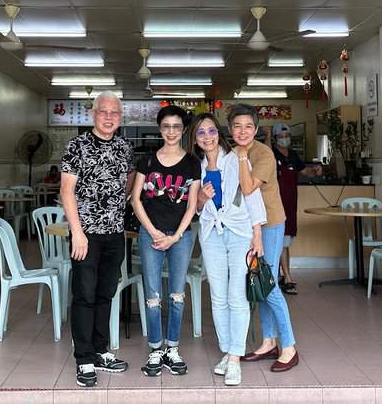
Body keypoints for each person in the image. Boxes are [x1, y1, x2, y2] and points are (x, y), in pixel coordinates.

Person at [60, 91, 135, 388]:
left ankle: (101, 349)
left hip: (115, 234)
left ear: (120, 117)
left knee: (106, 293)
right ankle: (84, 357)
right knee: (85, 294)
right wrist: (77, 232)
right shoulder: (77, 146)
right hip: (86, 234)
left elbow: (129, 178)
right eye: (103, 111)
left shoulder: (124, 147)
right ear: (93, 114)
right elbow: (67, 191)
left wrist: (120, 201)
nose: (108, 117)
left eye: (114, 113)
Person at [190, 112, 265, 387]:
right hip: (210, 234)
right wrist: (201, 197)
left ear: (218, 134)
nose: (207, 137)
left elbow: (251, 195)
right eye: (201, 133)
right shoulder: (196, 167)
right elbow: (196, 209)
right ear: (196, 140)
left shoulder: (235, 159)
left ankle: (235, 358)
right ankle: (228, 350)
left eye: (211, 131)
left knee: (236, 296)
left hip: (239, 232)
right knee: (218, 296)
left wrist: (257, 235)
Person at [130, 105, 200, 377]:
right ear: (160, 129)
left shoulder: (192, 162)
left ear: (183, 130)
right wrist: (154, 232)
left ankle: (173, 347)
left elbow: (192, 204)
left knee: (177, 293)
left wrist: (175, 236)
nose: (171, 131)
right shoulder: (147, 161)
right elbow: (136, 199)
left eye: (176, 127)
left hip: (180, 236)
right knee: (152, 294)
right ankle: (155, 349)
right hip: (151, 234)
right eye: (166, 126)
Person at [229, 104, 299, 372]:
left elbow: (247, 188)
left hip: (269, 224)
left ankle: (289, 346)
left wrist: (243, 156)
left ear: (256, 129)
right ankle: (269, 341)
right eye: (237, 126)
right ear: (231, 129)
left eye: (248, 126)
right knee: (259, 283)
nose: (243, 131)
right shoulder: (232, 153)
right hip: (246, 226)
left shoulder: (263, 154)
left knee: (266, 283)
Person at [264, 123, 307, 295]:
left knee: (284, 242)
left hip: (290, 205)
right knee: (279, 242)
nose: (285, 139)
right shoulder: (271, 153)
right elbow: (266, 156)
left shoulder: (294, 155)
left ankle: (282, 276)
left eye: (287, 135)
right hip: (273, 205)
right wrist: (266, 138)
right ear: (275, 139)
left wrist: (316, 170)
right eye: (281, 136)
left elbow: (304, 171)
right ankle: (285, 277)